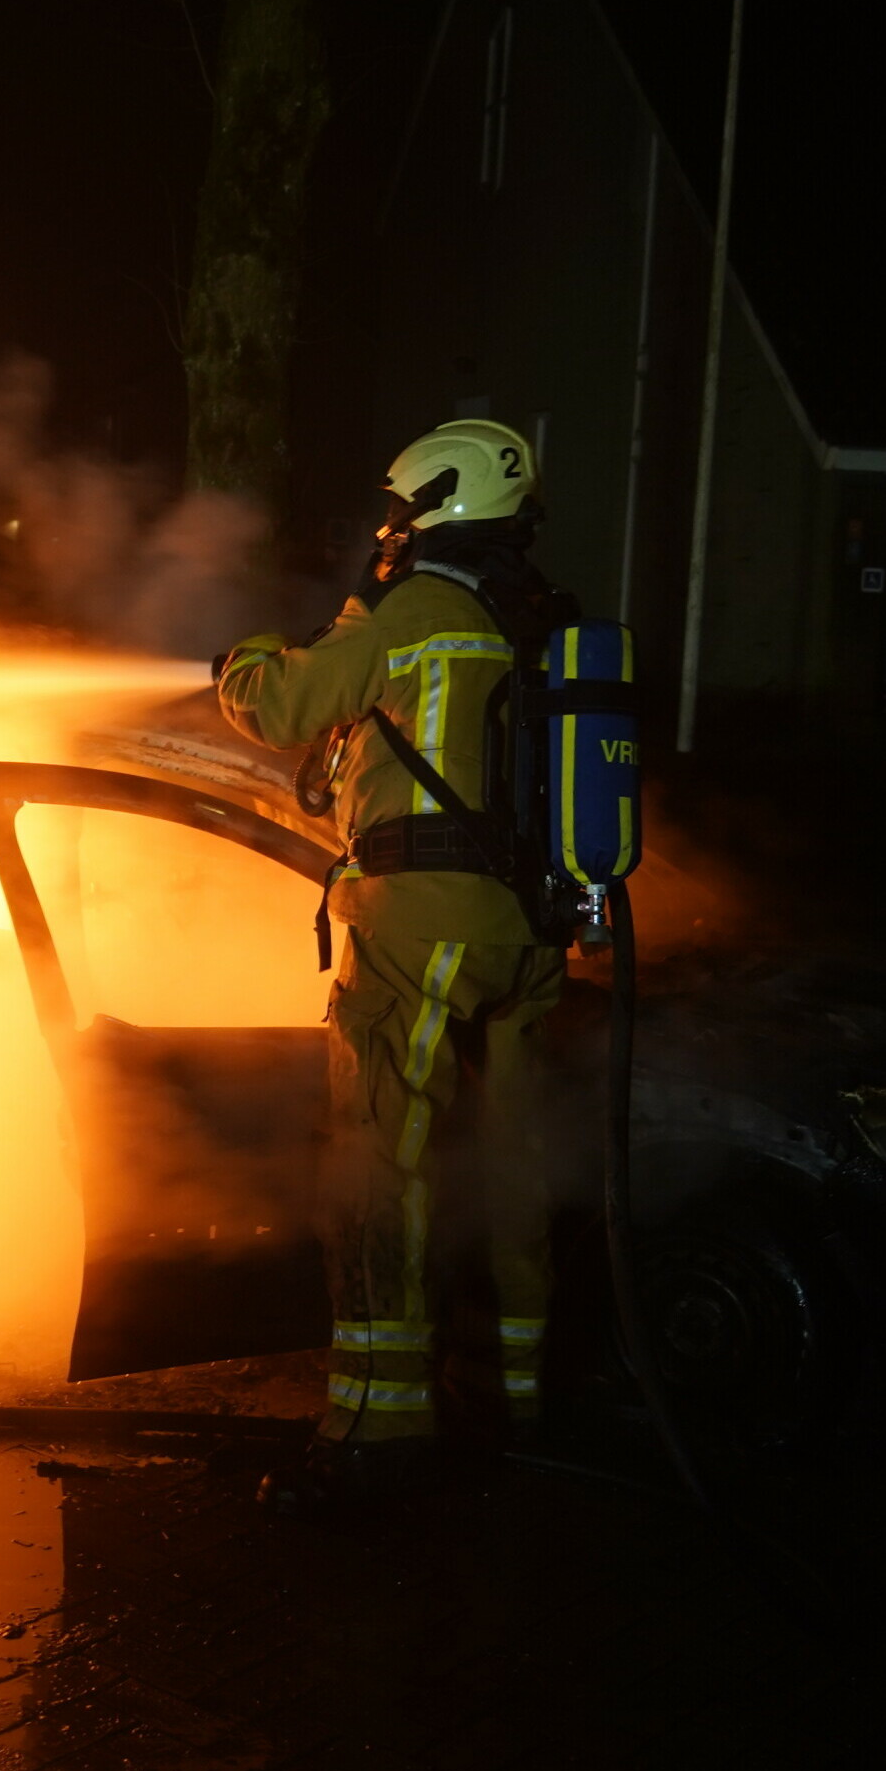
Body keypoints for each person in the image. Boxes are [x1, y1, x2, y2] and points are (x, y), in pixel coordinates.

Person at [213, 419, 577, 1511]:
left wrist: (236, 661)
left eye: (398, 511)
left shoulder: (409, 613)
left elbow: (280, 707)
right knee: (513, 1163)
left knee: (382, 1155)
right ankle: (514, 1392)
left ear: (431, 509)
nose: (387, 528)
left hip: (419, 922)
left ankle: (379, 1425)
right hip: (527, 933)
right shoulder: (534, 620)